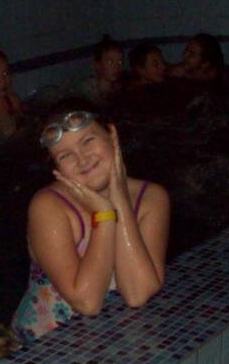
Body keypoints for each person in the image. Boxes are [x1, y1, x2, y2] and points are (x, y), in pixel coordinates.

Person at [12, 100, 170, 343]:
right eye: (66, 155)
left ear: (111, 134)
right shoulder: (49, 206)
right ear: (57, 168)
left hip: (111, 341)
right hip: (42, 348)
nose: (82, 159)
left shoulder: (151, 198)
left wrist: (118, 198)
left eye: (87, 141)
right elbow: (87, 302)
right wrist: (104, 215)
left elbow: (138, 293)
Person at [79, 37, 126, 105]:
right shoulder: (85, 89)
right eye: (110, 62)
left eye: (120, 62)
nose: (116, 67)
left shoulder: (122, 88)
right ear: (97, 64)